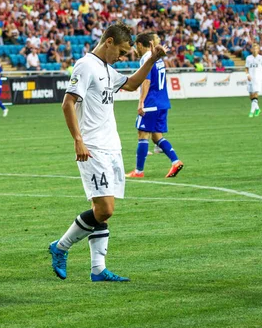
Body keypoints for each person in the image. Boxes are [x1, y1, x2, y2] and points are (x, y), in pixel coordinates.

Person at [48, 22, 168, 282]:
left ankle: (97, 269)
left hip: (112, 146)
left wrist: (151, 60)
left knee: (100, 207)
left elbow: (133, 84)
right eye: (122, 51)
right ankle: (60, 247)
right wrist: (78, 140)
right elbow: (67, 104)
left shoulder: (106, 68)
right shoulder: (85, 65)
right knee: (105, 209)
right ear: (109, 41)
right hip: (93, 148)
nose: (123, 57)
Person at [126, 32, 184, 179]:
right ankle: (175, 161)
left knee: (142, 134)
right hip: (162, 101)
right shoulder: (158, 59)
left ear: (140, 44)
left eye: (136, 47)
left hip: (151, 103)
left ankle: (138, 171)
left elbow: (146, 81)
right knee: (156, 136)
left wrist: (141, 102)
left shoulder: (147, 59)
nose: (135, 51)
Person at [245, 43, 262, 117]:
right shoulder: (248, 58)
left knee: (255, 95)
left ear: (258, 50)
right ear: (251, 50)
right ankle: (257, 109)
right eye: (253, 48)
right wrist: (247, 75)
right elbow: (246, 68)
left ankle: (251, 112)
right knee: (251, 96)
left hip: (258, 79)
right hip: (250, 79)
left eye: (256, 48)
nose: (255, 50)